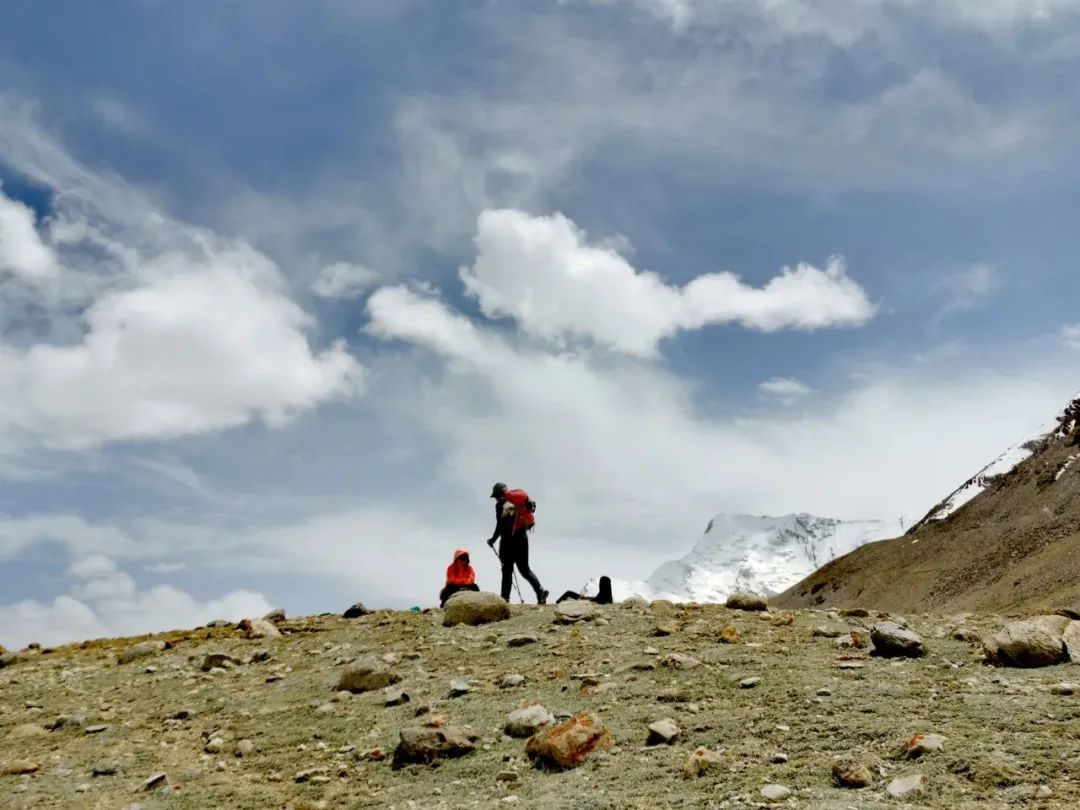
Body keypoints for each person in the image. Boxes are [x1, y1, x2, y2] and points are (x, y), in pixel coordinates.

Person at [487, 482, 548, 605]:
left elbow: (500, 526)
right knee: (525, 569)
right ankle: (540, 590)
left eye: (496, 496)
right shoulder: (518, 501)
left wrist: (493, 539)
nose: (496, 499)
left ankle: (505, 599)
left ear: (499, 494)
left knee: (507, 570)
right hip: (522, 537)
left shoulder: (501, 505)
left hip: (508, 541)